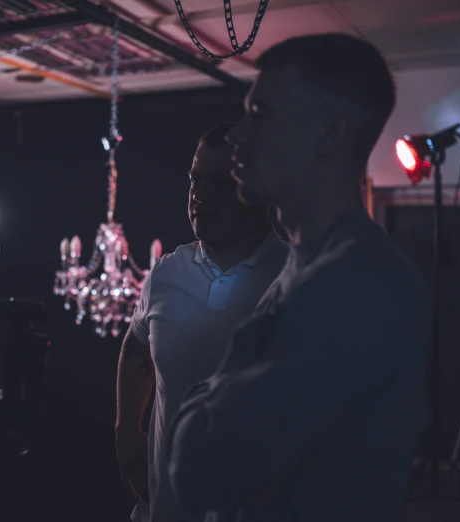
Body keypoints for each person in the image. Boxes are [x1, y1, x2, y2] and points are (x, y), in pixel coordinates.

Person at [166, 34, 429, 522]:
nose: (238, 136)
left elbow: (198, 470)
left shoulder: (354, 287)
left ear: (330, 135)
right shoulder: (311, 266)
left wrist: (205, 393)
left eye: (260, 113)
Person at [115, 122, 289, 522]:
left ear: (259, 190)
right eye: (195, 180)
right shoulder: (165, 274)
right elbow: (136, 347)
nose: (201, 195)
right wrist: (126, 431)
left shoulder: (296, 277)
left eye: (220, 183)